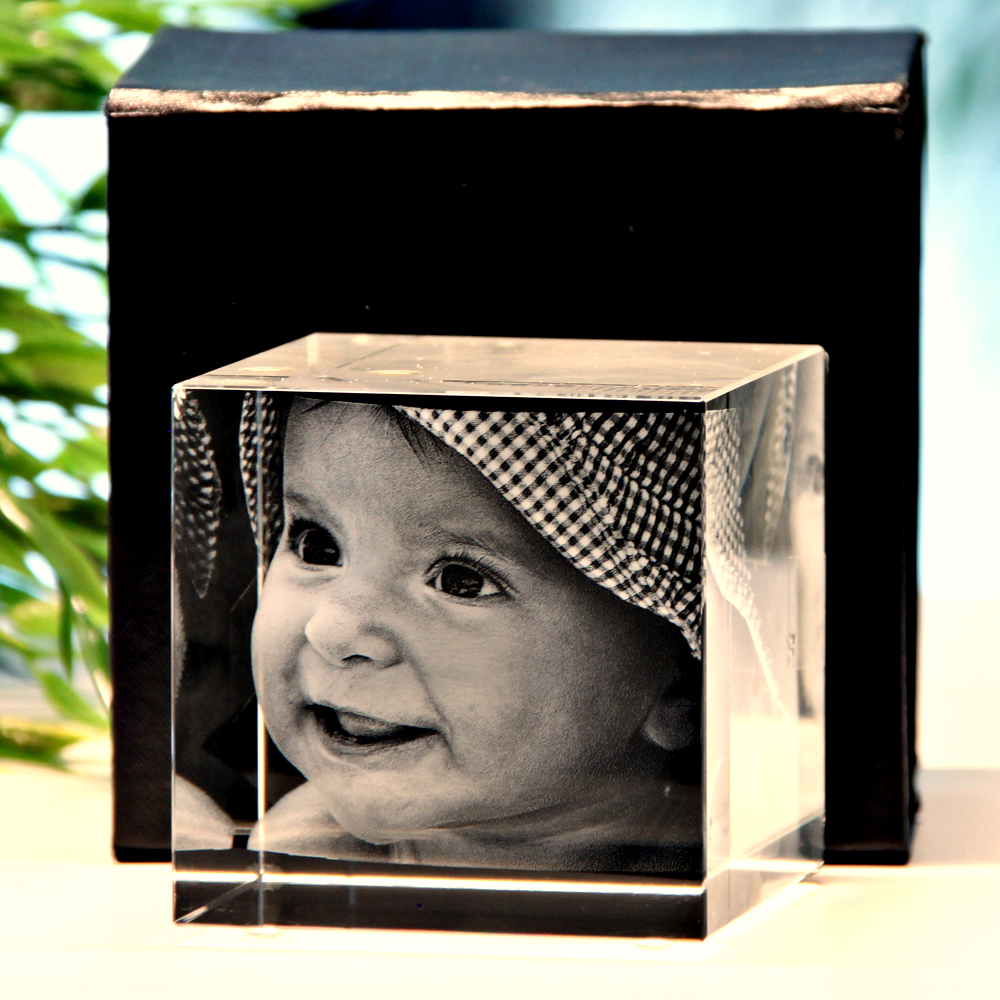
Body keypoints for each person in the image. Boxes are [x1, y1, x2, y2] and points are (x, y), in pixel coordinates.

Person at [244, 397, 704, 874]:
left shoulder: (732, 871)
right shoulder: (298, 859)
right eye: (317, 547)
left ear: (685, 689)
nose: (333, 631)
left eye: (460, 581)